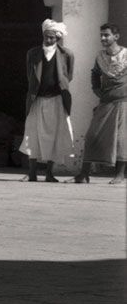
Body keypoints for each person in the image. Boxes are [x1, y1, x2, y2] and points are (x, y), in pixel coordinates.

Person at [22, 18, 75, 181]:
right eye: (46, 37)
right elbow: (30, 76)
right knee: (32, 134)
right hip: (37, 99)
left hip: (57, 99)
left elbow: (68, 76)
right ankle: (31, 172)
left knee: (54, 135)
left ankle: (49, 173)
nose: (49, 40)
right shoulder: (33, 53)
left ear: (58, 38)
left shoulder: (67, 54)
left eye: (52, 37)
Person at [75, 21, 127, 184]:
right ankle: (84, 174)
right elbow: (95, 75)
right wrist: (97, 91)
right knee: (92, 136)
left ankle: (119, 175)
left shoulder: (126, 55)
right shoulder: (100, 56)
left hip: (123, 102)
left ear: (116, 36)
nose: (103, 38)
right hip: (106, 102)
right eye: (101, 35)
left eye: (106, 35)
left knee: (121, 139)